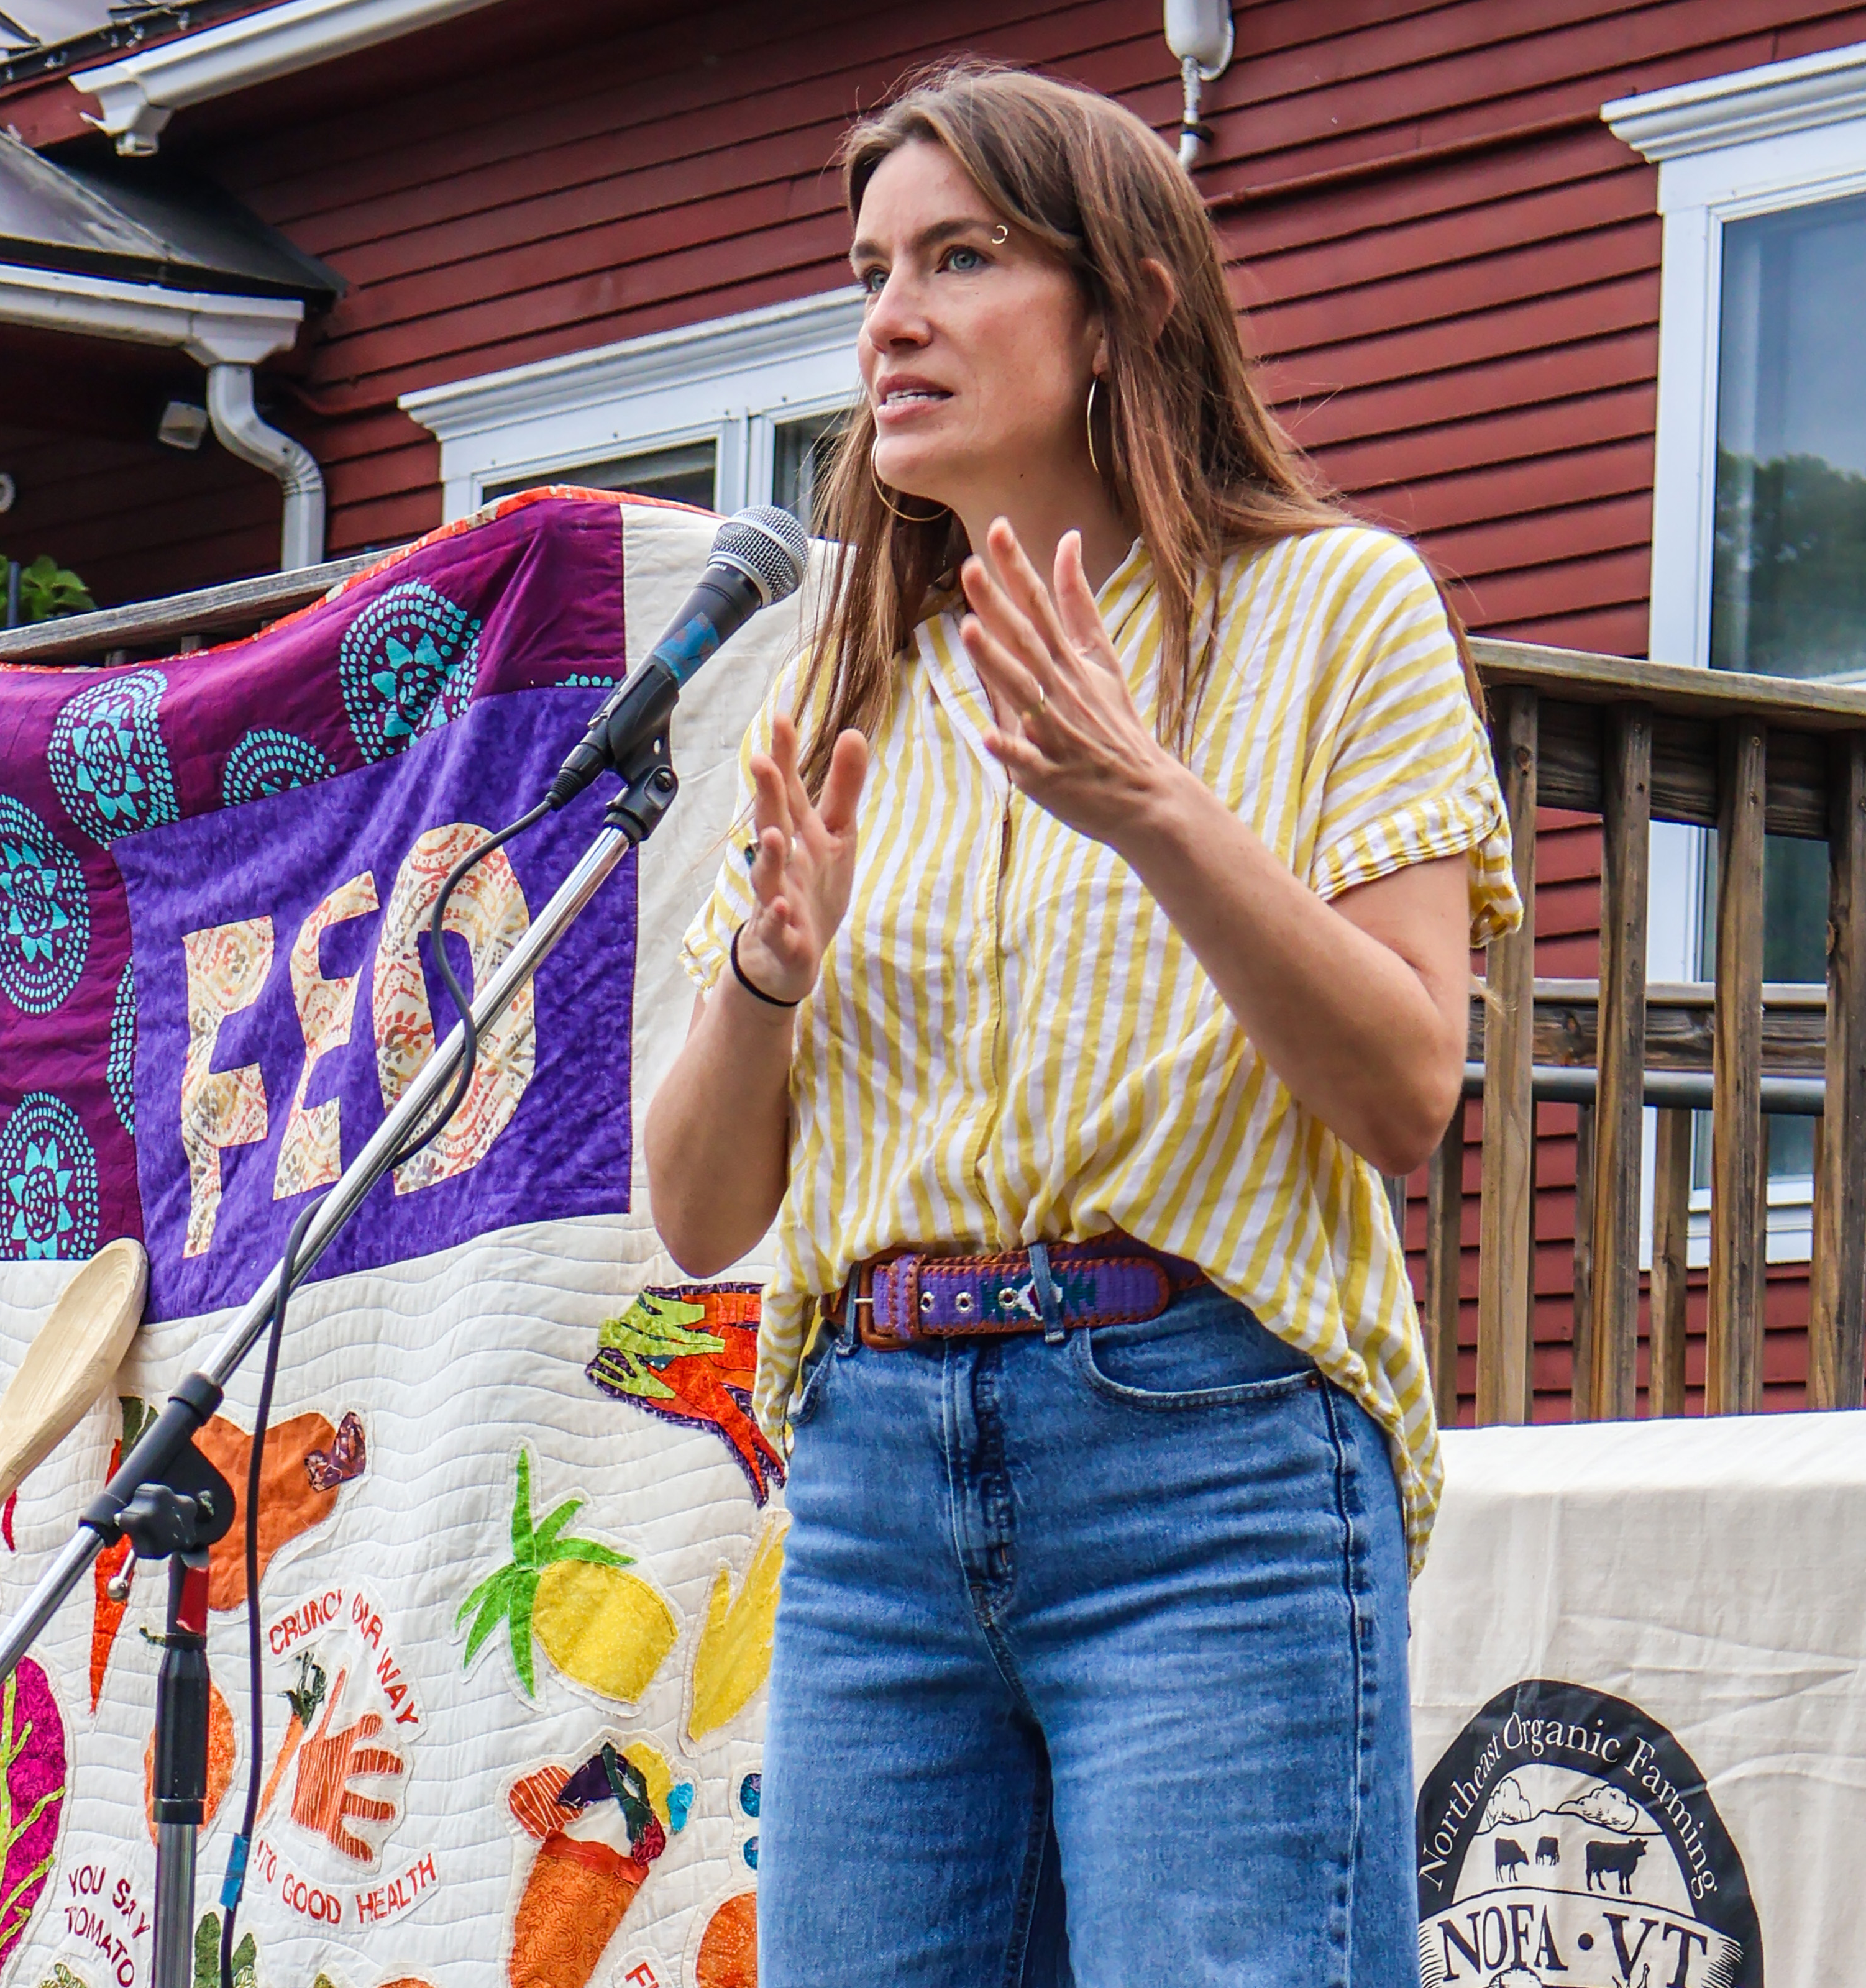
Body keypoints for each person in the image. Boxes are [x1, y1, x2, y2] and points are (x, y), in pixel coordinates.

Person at [644, 60, 1519, 1986]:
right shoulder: (851, 665)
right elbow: (701, 1217)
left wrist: (1157, 808)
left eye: (960, 258)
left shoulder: (1338, 610)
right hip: (873, 1472)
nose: (891, 318)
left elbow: (1403, 1091)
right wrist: (768, 983)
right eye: (871, 269)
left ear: (1124, 306)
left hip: (1209, 1458)